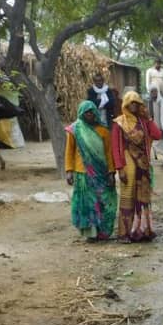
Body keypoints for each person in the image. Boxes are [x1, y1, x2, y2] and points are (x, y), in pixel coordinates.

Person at [111, 91, 162, 243]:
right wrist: (119, 168)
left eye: (137, 103)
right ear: (126, 104)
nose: (134, 106)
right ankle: (125, 233)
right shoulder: (119, 123)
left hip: (143, 166)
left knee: (143, 198)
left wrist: (149, 118)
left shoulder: (143, 122)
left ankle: (143, 230)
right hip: (128, 166)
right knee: (128, 198)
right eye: (131, 103)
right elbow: (115, 147)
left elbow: (157, 135)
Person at [64, 101, 117, 242]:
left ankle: (103, 231)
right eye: (86, 112)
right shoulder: (75, 129)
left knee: (103, 201)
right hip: (82, 173)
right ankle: (90, 233)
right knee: (87, 204)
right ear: (81, 113)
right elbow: (69, 151)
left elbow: (109, 153)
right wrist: (69, 170)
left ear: (95, 113)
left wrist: (111, 172)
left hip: (101, 173)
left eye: (91, 111)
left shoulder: (103, 130)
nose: (89, 114)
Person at [147, 87, 163, 162]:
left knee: (161, 141)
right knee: (151, 142)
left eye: (155, 91)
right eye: (152, 92)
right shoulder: (149, 102)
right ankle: (153, 157)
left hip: (160, 123)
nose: (154, 93)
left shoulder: (160, 101)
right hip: (151, 124)